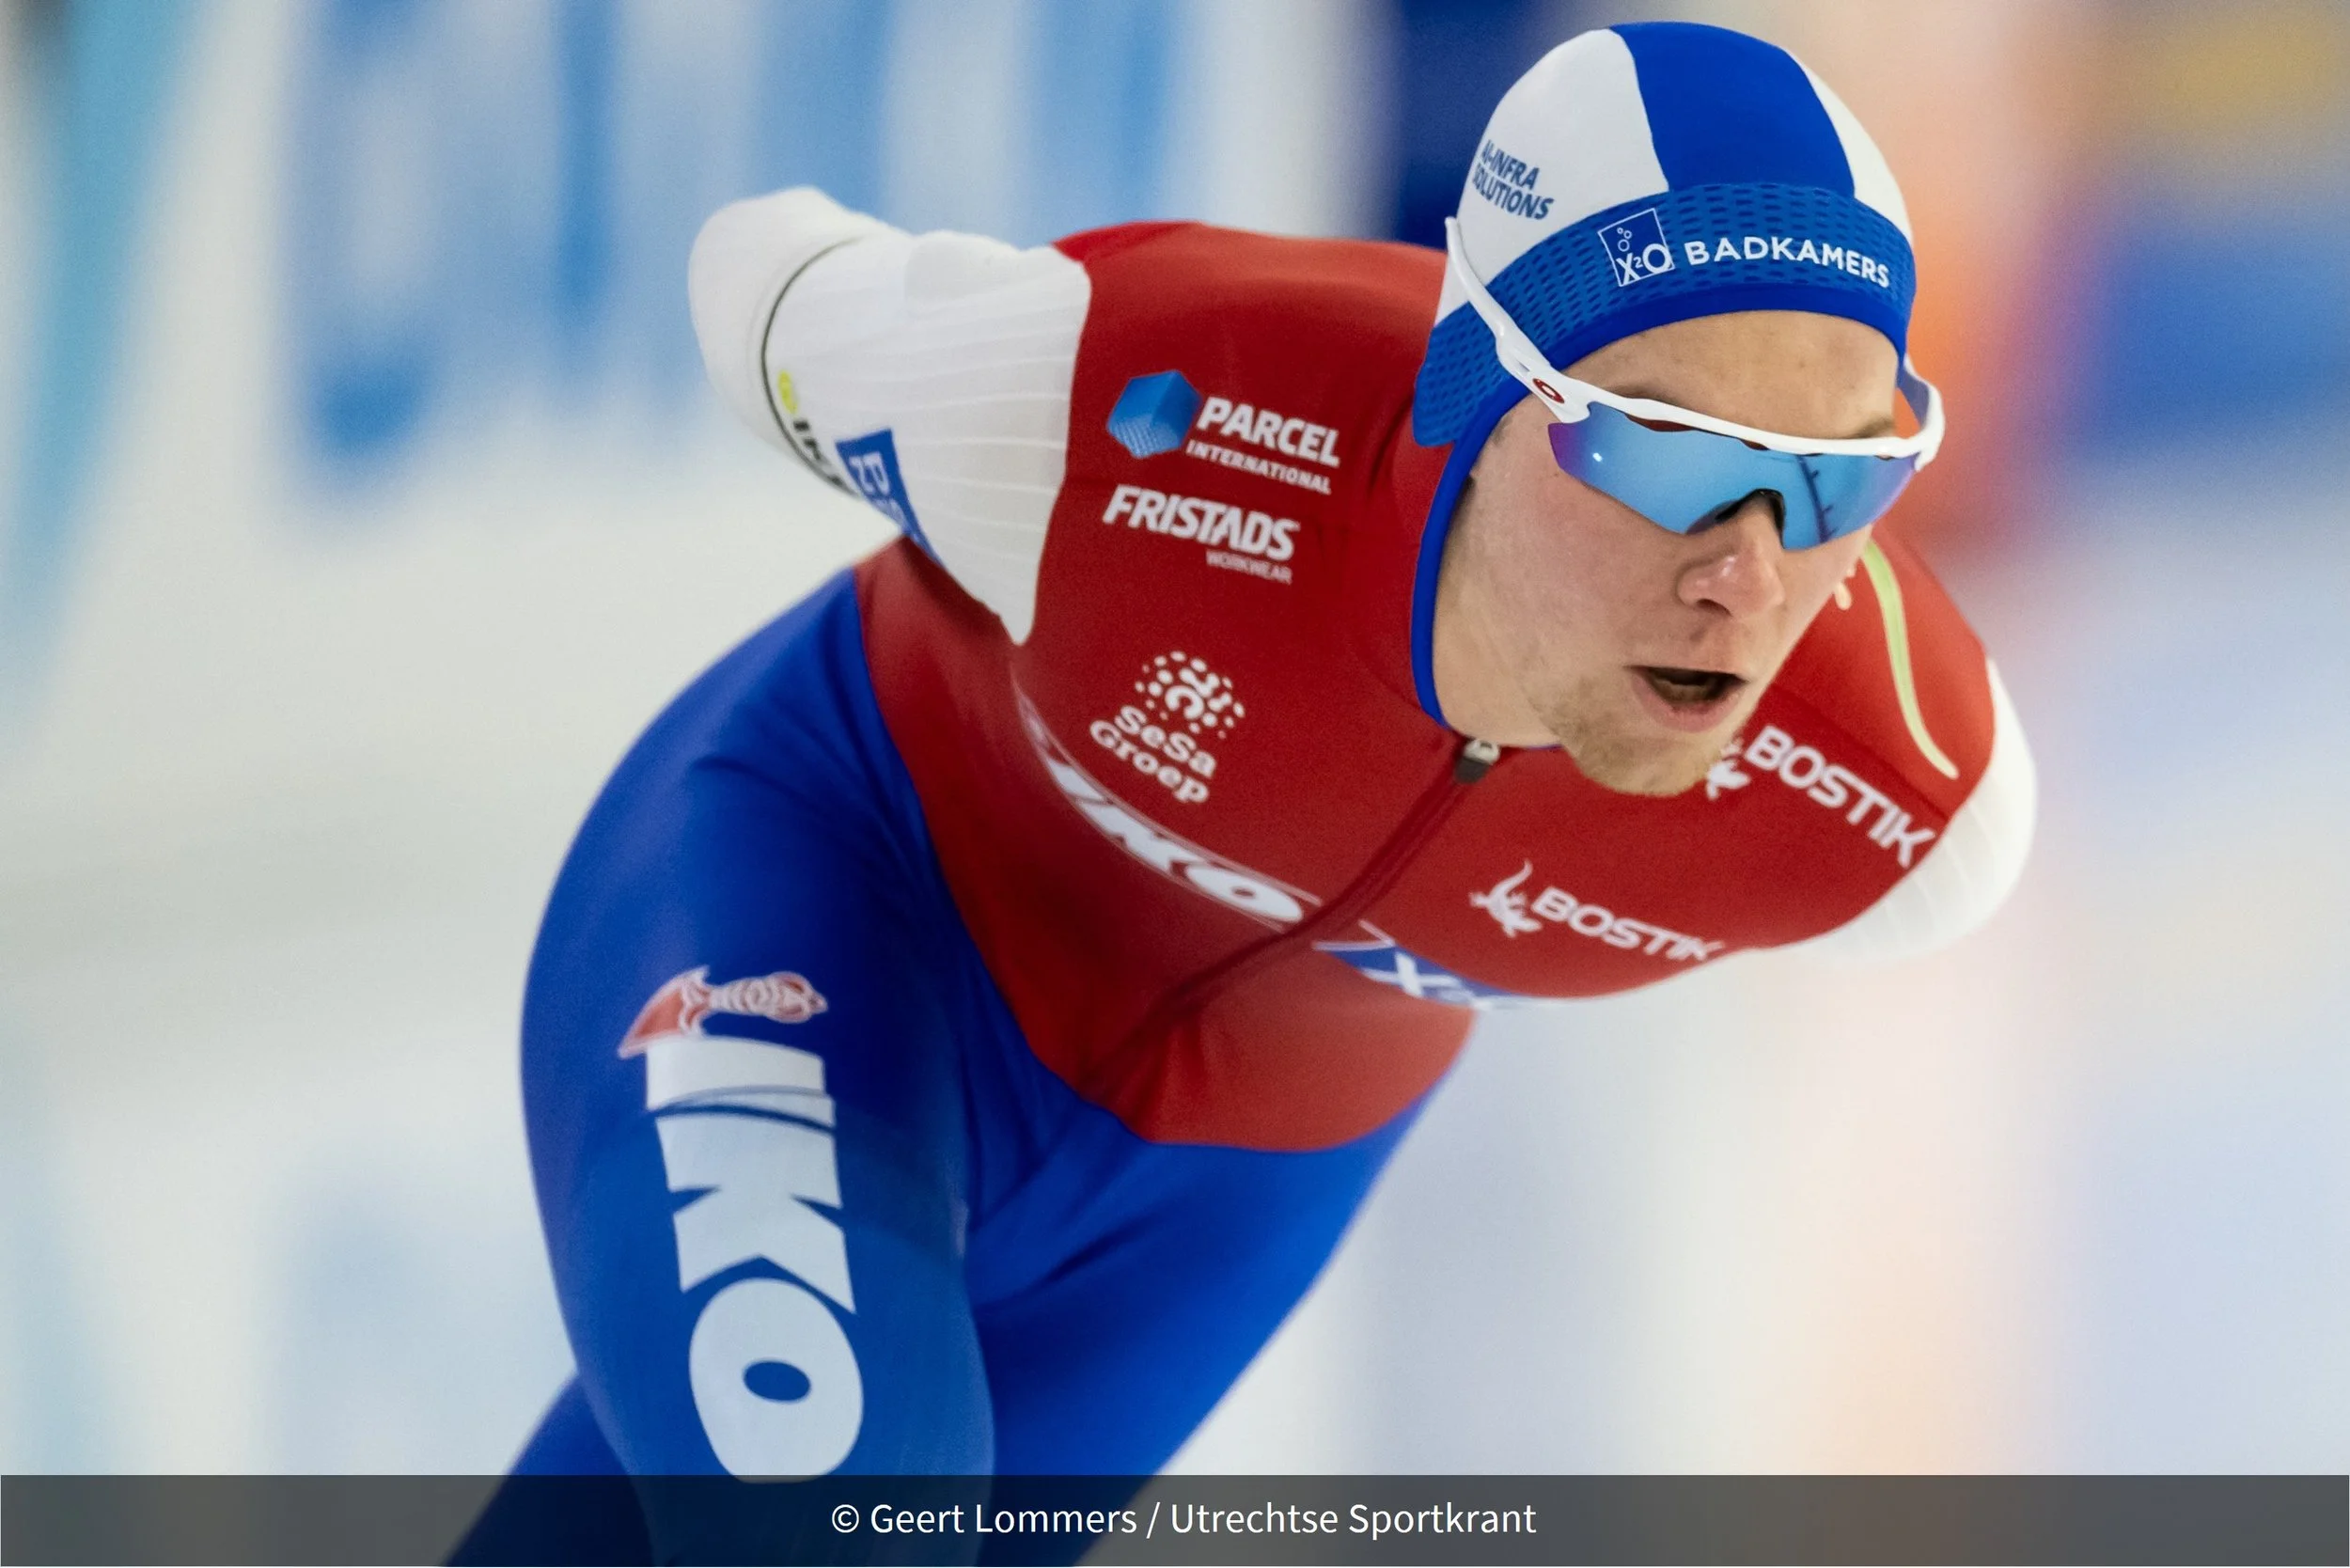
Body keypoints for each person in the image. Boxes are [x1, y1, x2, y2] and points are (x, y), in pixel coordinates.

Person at [457, 20, 2033, 1563]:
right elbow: (764, 280)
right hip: (839, 905)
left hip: (1220, 1192)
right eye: (1672, 456)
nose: (1753, 578)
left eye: (1840, 478)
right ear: (1481, 391)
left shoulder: (1909, 797)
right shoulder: (1127, 398)